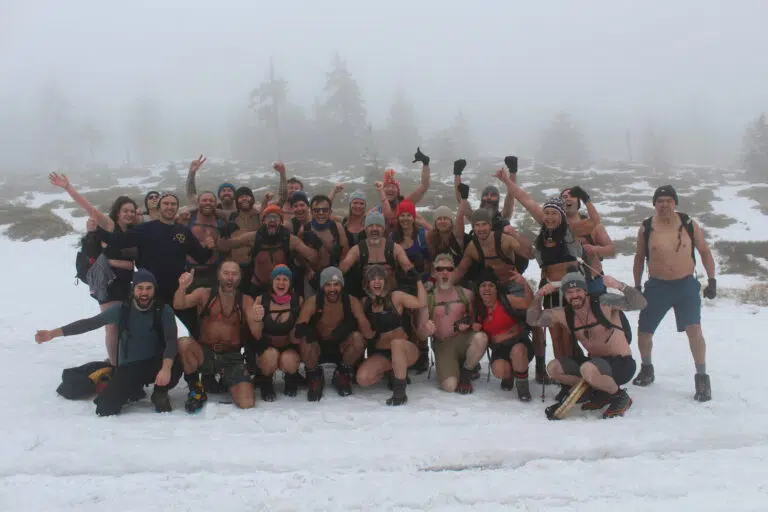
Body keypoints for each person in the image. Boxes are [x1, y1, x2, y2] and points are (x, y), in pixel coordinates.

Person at [35, 269, 181, 416]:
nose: (144, 293)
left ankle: (160, 393)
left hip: (156, 363)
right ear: (133, 289)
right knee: (105, 409)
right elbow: (90, 323)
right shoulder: (121, 310)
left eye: (149, 288)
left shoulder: (163, 310)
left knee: (177, 361)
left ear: (154, 290)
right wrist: (52, 333)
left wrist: (166, 368)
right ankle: (131, 388)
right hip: (129, 367)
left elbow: (171, 341)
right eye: (140, 288)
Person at [632, 185, 715, 401]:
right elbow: (639, 258)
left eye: (669, 200)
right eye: (660, 201)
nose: (664, 205)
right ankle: (647, 368)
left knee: (694, 330)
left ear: (675, 203)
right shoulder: (646, 228)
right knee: (644, 331)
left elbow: (704, 251)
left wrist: (712, 280)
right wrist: (637, 286)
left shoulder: (688, 223)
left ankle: (702, 377)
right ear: (654, 204)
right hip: (657, 287)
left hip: (685, 285)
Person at [527, 272, 646, 419]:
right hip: (593, 364)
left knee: (587, 369)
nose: (574, 295)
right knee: (554, 368)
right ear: (564, 294)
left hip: (622, 364)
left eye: (578, 290)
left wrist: (620, 286)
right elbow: (533, 320)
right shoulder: (564, 314)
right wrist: (539, 295)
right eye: (569, 292)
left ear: (585, 291)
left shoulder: (604, 302)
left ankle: (620, 396)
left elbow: (641, 303)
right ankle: (596, 392)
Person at [49, 172, 139, 365]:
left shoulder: (134, 232)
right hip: (107, 283)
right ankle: (115, 365)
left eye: (132, 211)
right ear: (117, 212)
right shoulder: (110, 225)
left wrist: (125, 264)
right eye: (125, 210)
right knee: (112, 326)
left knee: (124, 324)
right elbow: (89, 208)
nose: (129, 214)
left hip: (126, 284)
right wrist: (68, 188)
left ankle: (121, 359)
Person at [97, 192, 215, 338]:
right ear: (159, 208)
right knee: (154, 334)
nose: (169, 207)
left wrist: (209, 247)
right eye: (166, 203)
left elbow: (201, 257)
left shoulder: (183, 232)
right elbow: (119, 240)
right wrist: (96, 231)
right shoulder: (145, 229)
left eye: (173, 204)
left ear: (177, 208)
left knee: (193, 329)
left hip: (177, 290)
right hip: (151, 292)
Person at [294, 267, 373, 401]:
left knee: (358, 338)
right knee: (305, 339)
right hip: (318, 347)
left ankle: (342, 373)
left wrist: (372, 323)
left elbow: (367, 332)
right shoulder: (313, 302)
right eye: (328, 285)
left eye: (336, 284)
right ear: (322, 287)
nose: (332, 289)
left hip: (342, 346)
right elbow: (296, 333)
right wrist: (305, 330)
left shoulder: (352, 301)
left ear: (342, 285)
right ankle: (314, 375)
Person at [356, 265, 427, 406]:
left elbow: (421, 303)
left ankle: (400, 393)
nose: (377, 282)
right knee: (363, 379)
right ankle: (392, 371)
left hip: (406, 350)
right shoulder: (365, 303)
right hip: (382, 353)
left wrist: (418, 280)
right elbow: (366, 333)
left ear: (385, 281)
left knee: (396, 344)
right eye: (373, 279)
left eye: (380, 278)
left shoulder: (396, 297)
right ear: (367, 283)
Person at [418, 254, 488, 394]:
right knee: (450, 387)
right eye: (440, 269)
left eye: (449, 269)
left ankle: (466, 372)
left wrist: (471, 324)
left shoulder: (467, 294)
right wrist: (426, 330)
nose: (445, 272)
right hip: (443, 344)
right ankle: (457, 366)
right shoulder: (427, 298)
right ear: (434, 272)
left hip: (464, 339)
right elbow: (420, 335)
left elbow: (476, 321)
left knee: (481, 338)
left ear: (454, 272)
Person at [220, 204, 317, 297]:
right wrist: (224, 235)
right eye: (269, 217)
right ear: (263, 221)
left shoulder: (289, 239)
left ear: (281, 222)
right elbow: (227, 245)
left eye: (276, 217)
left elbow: (312, 257)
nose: (272, 220)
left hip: (281, 287)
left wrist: (316, 243)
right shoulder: (254, 237)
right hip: (258, 287)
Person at [474, 269, 535, 400]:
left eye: (491, 285)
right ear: (478, 289)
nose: (487, 289)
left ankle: (523, 387)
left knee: (518, 351)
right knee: (499, 370)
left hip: (519, 342)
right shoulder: (477, 307)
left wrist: (525, 284)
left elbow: (529, 304)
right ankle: (511, 374)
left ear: (497, 289)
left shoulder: (507, 300)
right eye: (483, 285)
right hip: (499, 348)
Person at [248, 265, 303, 401]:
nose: (281, 283)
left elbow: (302, 330)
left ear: (290, 283)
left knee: (289, 359)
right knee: (270, 356)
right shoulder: (261, 300)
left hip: (289, 346)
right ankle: (266, 381)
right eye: (277, 279)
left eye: (285, 279)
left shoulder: (298, 301)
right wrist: (256, 319)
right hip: (267, 346)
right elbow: (256, 335)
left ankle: (291, 377)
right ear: (272, 281)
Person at [339, 211, 415, 295]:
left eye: (378, 226)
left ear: (383, 229)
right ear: (365, 229)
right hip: (366, 296)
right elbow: (345, 265)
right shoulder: (357, 249)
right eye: (370, 226)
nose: (374, 229)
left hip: (391, 296)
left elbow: (407, 266)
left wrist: (416, 277)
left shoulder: (395, 248)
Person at [561, 186, 613, 294]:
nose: (568, 198)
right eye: (564, 197)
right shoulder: (556, 226)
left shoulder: (592, 225)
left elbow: (611, 249)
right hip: (568, 284)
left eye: (572, 196)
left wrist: (595, 249)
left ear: (578, 201)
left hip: (593, 281)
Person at [226, 186, 261, 269]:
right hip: (235, 265)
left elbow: (281, 200)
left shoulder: (260, 215)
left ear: (252, 199)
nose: (244, 199)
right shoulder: (231, 216)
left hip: (256, 264)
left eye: (247, 196)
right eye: (241, 197)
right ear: (236, 200)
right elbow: (212, 209)